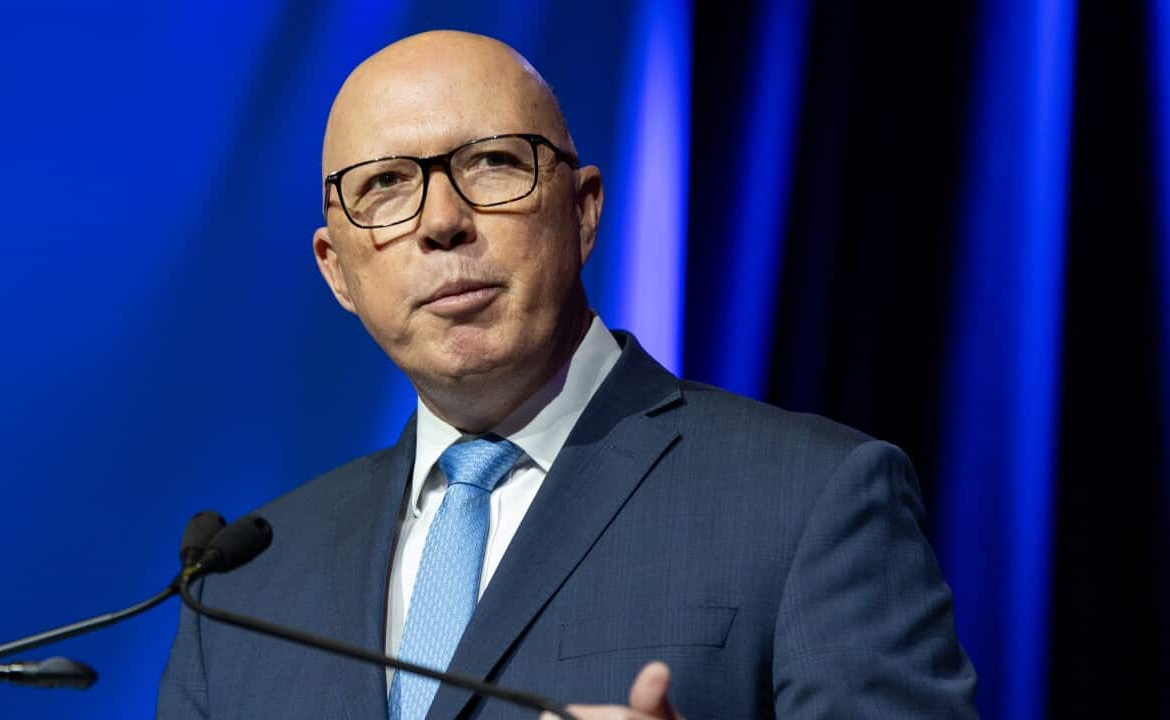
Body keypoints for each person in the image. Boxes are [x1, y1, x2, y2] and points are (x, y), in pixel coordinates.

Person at [157, 30, 978, 720]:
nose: (443, 222)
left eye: (492, 164)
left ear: (582, 210)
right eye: (385, 186)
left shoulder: (809, 499)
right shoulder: (240, 590)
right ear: (338, 271)